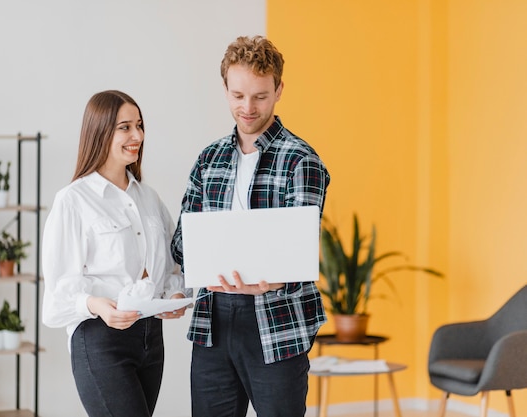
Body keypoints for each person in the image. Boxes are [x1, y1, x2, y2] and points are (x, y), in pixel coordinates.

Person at [170, 35, 330, 417]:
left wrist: (273, 279)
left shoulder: (301, 159)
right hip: (213, 321)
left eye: (260, 95)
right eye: (238, 95)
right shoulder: (209, 159)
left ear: (278, 90)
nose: (248, 107)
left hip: (276, 322)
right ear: (225, 89)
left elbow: (302, 251)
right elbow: (181, 241)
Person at [42, 90, 188, 417]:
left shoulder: (149, 198)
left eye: (139, 125)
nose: (137, 136)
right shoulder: (73, 200)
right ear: (100, 132)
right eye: (125, 127)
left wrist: (174, 293)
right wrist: (95, 304)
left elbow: (170, 265)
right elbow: (56, 294)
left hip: (151, 339)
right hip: (100, 339)